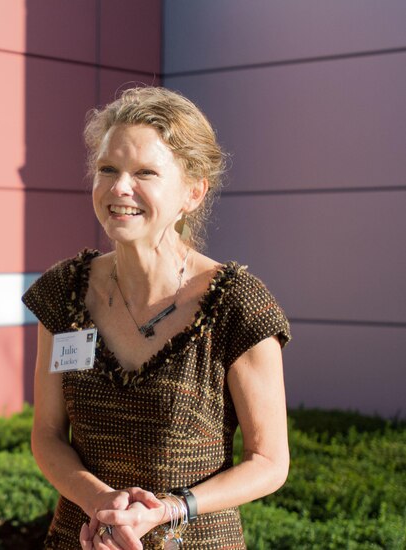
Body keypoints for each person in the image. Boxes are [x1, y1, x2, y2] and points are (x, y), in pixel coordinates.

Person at [23, 87, 291, 549]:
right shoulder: (63, 293)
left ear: (193, 191)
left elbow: (269, 461)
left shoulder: (236, 305)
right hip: (83, 538)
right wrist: (102, 503)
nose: (119, 187)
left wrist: (170, 509)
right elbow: (47, 435)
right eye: (107, 169)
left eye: (144, 172)